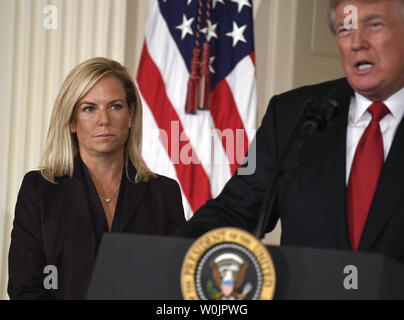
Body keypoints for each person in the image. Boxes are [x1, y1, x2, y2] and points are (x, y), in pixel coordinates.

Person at [173, 0, 404, 264]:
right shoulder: (291, 116)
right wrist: (167, 254)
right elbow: (236, 209)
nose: (356, 42)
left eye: (374, 25)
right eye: (344, 29)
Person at [8, 57, 186, 299]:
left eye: (115, 106)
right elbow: (25, 289)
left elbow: (176, 286)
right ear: (72, 121)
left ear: (131, 114)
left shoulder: (163, 193)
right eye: (89, 108)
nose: (104, 119)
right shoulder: (40, 190)